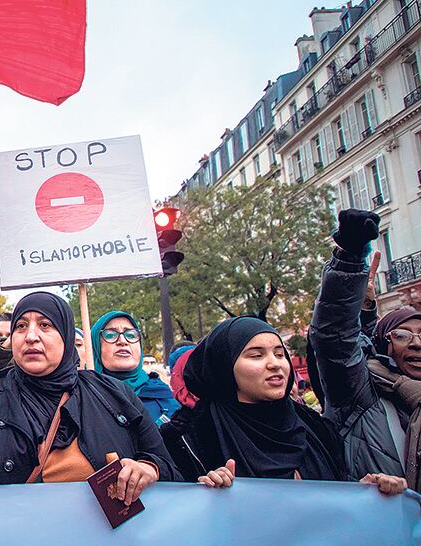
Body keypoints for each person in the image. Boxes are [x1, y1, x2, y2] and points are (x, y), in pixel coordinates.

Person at [0, 292, 179, 505]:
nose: (31, 336)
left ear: (66, 336)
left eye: (45, 325)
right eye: (21, 326)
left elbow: (169, 467)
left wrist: (149, 468)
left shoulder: (114, 394)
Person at [160, 315, 406, 495]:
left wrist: (364, 493)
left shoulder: (317, 429)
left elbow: (332, 502)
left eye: (279, 354)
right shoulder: (188, 440)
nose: (275, 364)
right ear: (224, 366)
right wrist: (205, 494)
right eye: (256, 355)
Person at [309, 209, 421, 491]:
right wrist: (349, 260)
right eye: (402, 335)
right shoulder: (360, 393)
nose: (416, 343)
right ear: (384, 345)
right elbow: (335, 337)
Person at [90, 311, 180, 425]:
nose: (123, 341)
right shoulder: (84, 397)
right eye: (110, 335)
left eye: (131, 335)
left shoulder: (163, 393)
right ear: (96, 346)